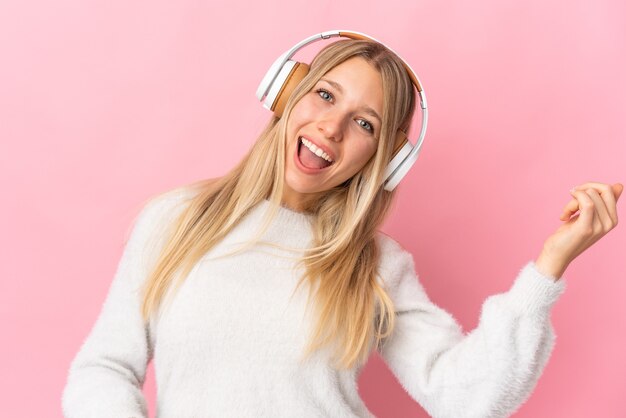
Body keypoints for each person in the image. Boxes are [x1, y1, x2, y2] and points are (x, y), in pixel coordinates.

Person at [61, 33, 622, 418]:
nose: (330, 127)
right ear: (286, 96)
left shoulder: (379, 265)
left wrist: (549, 267)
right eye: (325, 95)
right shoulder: (176, 220)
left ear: (384, 161)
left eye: (364, 123)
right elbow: (105, 366)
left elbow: (468, 396)